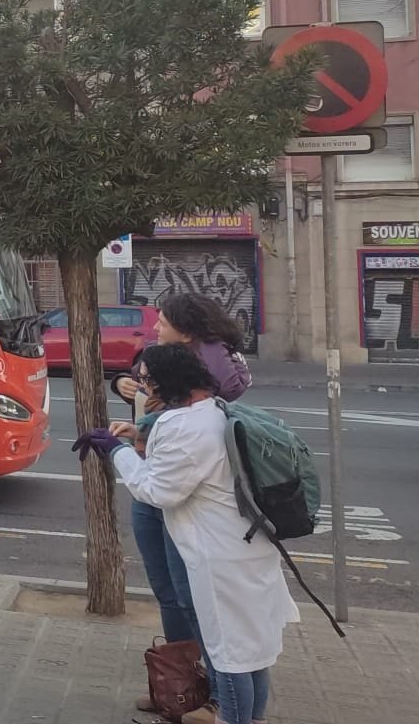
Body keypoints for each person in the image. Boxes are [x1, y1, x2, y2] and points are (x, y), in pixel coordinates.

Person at [78, 345, 297, 724]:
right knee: (251, 650)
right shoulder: (213, 410)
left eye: (145, 379)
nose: (142, 386)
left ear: (168, 380)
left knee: (227, 654)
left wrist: (116, 451)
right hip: (250, 546)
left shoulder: (181, 426)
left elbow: (157, 491)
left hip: (218, 558)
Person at [113, 293, 254, 716]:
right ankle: (176, 687)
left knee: (193, 599)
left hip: (178, 491)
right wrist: (122, 383)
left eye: (162, 320)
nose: (154, 326)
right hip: (151, 472)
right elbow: (138, 382)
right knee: (168, 593)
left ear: (187, 329)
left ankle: (214, 693)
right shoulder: (164, 354)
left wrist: (132, 436)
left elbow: (201, 405)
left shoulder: (214, 362)